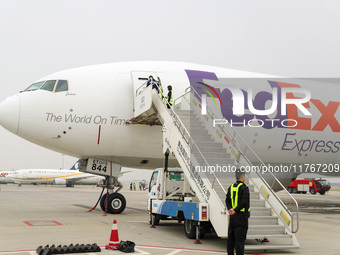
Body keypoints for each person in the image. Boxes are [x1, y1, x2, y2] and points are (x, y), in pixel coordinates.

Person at [225, 169, 250, 255]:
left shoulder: (231, 187)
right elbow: (244, 202)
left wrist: (230, 209)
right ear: (242, 176)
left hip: (233, 217)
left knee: (231, 239)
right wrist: (236, 210)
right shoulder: (244, 188)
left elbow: (227, 200)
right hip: (241, 217)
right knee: (240, 241)